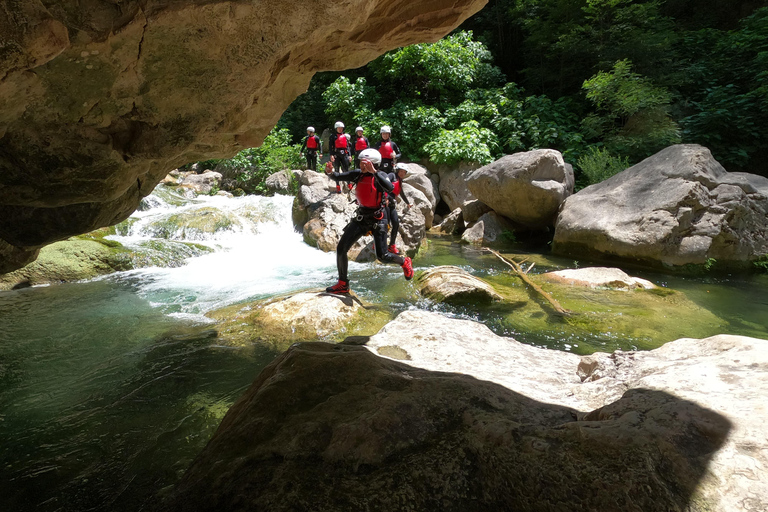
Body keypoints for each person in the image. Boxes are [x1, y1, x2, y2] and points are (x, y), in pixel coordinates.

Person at [324, 148, 414, 294]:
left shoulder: (381, 175)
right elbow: (337, 176)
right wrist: (329, 171)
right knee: (341, 249)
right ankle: (342, 284)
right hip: (361, 217)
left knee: (382, 256)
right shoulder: (358, 174)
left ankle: (404, 262)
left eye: (364, 163)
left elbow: (390, 187)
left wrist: (374, 172)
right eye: (360, 162)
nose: (361, 165)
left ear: (374, 164)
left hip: (378, 219)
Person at [386, 162, 412, 254]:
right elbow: (384, 186)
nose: (402, 173)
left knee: (396, 224)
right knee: (386, 224)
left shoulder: (400, 180)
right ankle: (379, 242)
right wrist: (387, 198)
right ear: (397, 170)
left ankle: (392, 245)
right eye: (401, 171)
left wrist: (408, 203)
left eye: (404, 172)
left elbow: (401, 193)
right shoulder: (391, 175)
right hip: (386, 202)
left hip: (392, 203)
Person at [328, 121, 352, 193]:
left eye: (341, 128)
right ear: (336, 128)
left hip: (344, 154)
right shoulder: (333, 136)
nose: (340, 129)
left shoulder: (345, 136)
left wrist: (350, 155)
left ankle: (349, 184)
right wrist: (331, 155)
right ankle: (338, 186)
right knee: (337, 170)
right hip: (336, 154)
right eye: (339, 128)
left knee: (346, 169)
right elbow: (330, 147)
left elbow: (347, 147)